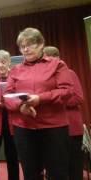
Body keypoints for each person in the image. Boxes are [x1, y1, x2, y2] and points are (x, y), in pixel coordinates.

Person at [4, 27, 73, 180]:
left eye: (30, 45)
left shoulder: (58, 65)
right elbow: (7, 96)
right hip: (24, 127)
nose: (26, 49)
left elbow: (67, 91)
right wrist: (21, 107)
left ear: (41, 44)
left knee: (57, 173)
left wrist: (40, 98)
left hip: (53, 127)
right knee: (30, 173)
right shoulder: (15, 70)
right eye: (22, 46)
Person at [43, 46, 85, 180]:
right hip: (52, 128)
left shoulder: (70, 73)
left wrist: (54, 99)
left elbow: (78, 98)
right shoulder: (45, 78)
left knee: (73, 167)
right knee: (55, 167)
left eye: (48, 59)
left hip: (71, 129)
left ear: (57, 59)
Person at [0, 50, 19, 180]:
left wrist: (7, 101)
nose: (0, 65)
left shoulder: (15, 77)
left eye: (3, 62)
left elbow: (19, 98)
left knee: (12, 156)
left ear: (9, 63)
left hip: (12, 122)